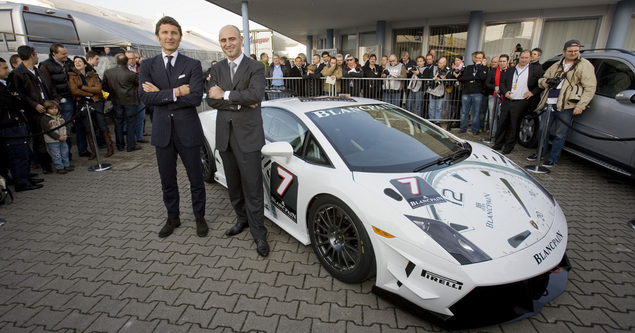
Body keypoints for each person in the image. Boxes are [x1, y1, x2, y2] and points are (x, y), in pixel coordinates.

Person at [138, 16, 208, 238]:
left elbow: (196, 97)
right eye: (165, 33)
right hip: (162, 132)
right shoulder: (148, 65)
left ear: (179, 36)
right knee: (167, 180)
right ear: (158, 36)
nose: (170, 37)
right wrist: (176, 92)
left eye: (174, 33)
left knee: (196, 179)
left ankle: (199, 217)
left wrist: (159, 93)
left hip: (188, 131)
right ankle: (173, 217)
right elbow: (144, 98)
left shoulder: (193, 64)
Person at [206, 25, 269, 256]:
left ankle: (259, 234)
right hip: (225, 137)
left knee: (252, 188)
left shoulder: (255, 66)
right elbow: (210, 100)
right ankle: (241, 219)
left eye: (231, 38)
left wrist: (225, 94)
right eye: (223, 40)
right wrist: (240, 100)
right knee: (233, 186)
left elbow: (256, 95)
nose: (227, 43)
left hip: (249, 137)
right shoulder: (217, 68)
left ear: (241, 39)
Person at [528, 40, 596, 167]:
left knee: (560, 134)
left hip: (566, 105)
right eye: (570, 51)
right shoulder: (557, 65)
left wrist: (581, 105)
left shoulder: (584, 65)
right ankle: (540, 153)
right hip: (549, 103)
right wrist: (544, 82)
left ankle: (553, 158)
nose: (573, 53)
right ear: (564, 52)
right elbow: (543, 78)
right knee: (542, 130)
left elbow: (590, 88)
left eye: (576, 51)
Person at [10, 45, 56, 174]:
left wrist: (54, 101)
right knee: (39, 138)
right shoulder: (17, 73)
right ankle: (44, 163)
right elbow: (18, 94)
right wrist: (33, 104)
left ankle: (56, 158)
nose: (37, 56)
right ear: (31, 55)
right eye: (36, 54)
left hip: (48, 107)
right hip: (34, 112)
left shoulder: (39, 71)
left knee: (53, 133)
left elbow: (49, 87)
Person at [39, 43, 90, 159]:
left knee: (80, 126)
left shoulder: (68, 63)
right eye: (63, 54)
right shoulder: (45, 66)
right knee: (64, 127)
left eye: (66, 53)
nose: (66, 55)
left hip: (74, 98)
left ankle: (82, 149)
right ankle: (66, 155)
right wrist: (58, 99)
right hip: (61, 101)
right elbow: (47, 85)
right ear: (54, 54)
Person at [0, 56, 43, 192]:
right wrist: (16, 97)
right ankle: (22, 182)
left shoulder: (6, 84)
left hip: (17, 122)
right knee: (17, 155)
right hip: (9, 125)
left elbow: (20, 98)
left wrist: (17, 96)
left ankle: (26, 177)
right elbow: (14, 102)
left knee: (23, 153)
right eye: (4, 68)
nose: (8, 70)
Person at [492, 50, 544, 154]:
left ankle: (509, 146)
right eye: (522, 57)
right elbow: (502, 83)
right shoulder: (510, 70)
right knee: (502, 123)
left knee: (514, 125)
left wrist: (532, 93)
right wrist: (505, 92)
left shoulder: (535, 70)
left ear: (530, 58)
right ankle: (498, 144)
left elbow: (541, 84)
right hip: (508, 100)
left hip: (521, 102)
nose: (524, 60)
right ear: (519, 58)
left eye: (526, 58)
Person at [68, 56, 114, 158]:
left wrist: (83, 87)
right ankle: (93, 151)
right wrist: (89, 93)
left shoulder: (93, 75)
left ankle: (110, 148)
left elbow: (98, 89)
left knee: (102, 125)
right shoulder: (72, 76)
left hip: (96, 102)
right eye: (75, 62)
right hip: (83, 104)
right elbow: (74, 90)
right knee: (88, 128)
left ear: (85, 64)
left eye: (80, 61)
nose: (77, 63)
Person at [102, 53, 141, 153]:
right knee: (130, 123)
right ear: (126, 62)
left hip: (116, 100)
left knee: (118, 123)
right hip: (129, 101)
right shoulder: (131, 74)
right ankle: (130, 145)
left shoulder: (108, 72)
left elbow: (104, 86)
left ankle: (120, 145)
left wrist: (113, 92)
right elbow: (139, 85)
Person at [458, 51, 488, 134]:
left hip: (477, 93)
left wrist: (479, 67)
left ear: (482, 59)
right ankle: (463, 128)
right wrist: (475, 77)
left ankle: (475, 129)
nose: (478, 59)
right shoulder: (469, 67)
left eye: (480, 58)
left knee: (476, 112)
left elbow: (482, 77)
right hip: (466, 92)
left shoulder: (484, 68)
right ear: (474, 58)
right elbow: (463, 78)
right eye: (477, 58)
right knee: (464, 111)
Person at [40, 100, 73, 174]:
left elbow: (66, 126)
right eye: (51, 109)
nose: (54, 110)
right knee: (56, 154)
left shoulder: (60, 117)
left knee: (65, 152)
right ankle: (59, 167)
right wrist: (58, 137)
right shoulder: (45, 119)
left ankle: (67, 165)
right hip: (52, 141)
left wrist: (65, 135)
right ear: (47, 109)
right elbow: (48, 131)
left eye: (56, 108)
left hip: (63, 139)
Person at [485, 54, 509, 137]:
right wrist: (494, 87)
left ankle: (501, 134)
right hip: (493, 96)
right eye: (500, 61)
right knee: (492, 116)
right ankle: (493, 132)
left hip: (506, 98)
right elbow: (487, 83)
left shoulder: (511, 72)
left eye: (504, 61)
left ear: (507, 62)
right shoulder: (493, 72)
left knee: (502, 116)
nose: (502, 63)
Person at [428, 57, 450, 125]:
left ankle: (437, 121)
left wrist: (444, 79)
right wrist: (433, 78)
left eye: (441, 63)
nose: (439, 64)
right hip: (432, 89)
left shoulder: (447, 71)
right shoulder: (434, 68)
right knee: (431, 107)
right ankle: (431, 120)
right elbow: (430, 76)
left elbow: (448, 83)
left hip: (440, 91)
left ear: (445, 63)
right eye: (439, 62)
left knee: (439, 107)